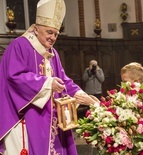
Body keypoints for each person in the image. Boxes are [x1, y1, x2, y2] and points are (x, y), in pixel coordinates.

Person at [0, 0, 95, 155]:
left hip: (51, 117)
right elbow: (14, 76)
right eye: (49, 32)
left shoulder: (52, 53)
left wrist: (81, 95)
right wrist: (47, 83)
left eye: (56, 34)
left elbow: (62, 79)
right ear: (36, 29)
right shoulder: (20, 46)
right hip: (27, 116)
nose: (53, 37)